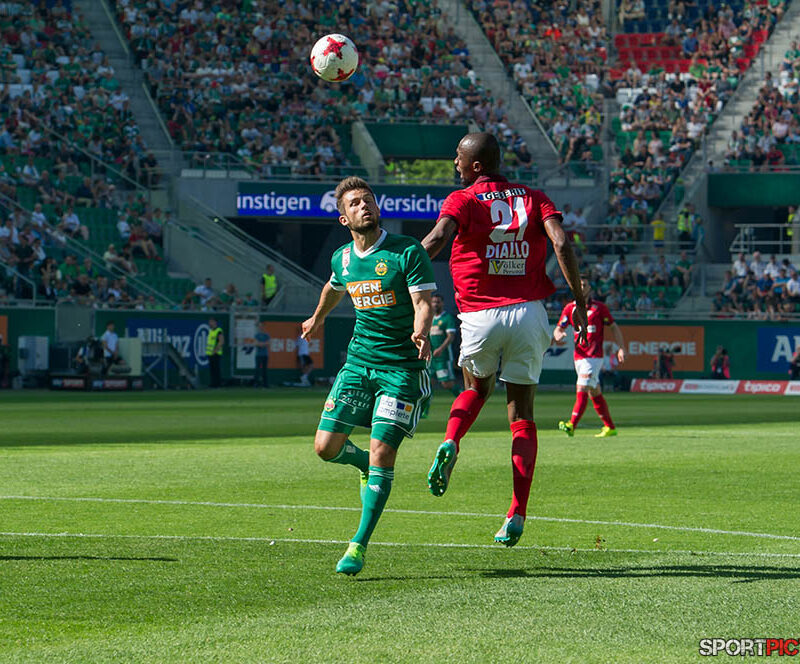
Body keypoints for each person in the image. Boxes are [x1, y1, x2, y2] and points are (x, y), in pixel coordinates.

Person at [419, 132, 587, 547]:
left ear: (476, 165)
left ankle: (451, 440)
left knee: (475, 388)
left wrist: (397, 268)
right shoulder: (533, 196)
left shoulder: (463, 199)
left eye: (458, 156)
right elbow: (561, 242)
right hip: (529, 312)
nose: (455, 162)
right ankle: (516, 512)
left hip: (480, 312)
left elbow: (438, 239)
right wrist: (579, 299)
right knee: (522, 414)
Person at [301, 176, 435, 576]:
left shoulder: (405, 251)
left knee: (383, 452)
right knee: (325, 448)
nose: (365, 206)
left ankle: (358, 545)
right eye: (356, 203)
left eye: (369, 200)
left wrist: (422, 331)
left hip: (400, 368)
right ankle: (362, 465)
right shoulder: (342, 258)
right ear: (344, 218)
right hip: (358, 364)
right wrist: (317, 317)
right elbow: (333, 287)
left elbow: (423, 301)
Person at [553, 275, 626, 437]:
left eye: (584, 285)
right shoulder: (570, 309)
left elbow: (613, 327)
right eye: (578, 285)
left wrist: (621, 347)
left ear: (590, 288)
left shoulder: (599, 308)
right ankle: (610, 427)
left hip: (594, 357)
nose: (581, 288)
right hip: (578, 357)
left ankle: (571, 425)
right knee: (594, 391)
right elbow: (559, 328)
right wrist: (558, 334)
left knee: (582, 388)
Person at [429, 293, 460, 397]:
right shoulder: (429, 318)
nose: (435, 304)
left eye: (438, 302)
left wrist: (440, 349)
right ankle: (424, 412)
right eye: (433, 302)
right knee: (429, 384)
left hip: (444, 357)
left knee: (446, 384)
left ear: (442, 303)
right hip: (431, 357)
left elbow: (450, 336)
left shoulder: (447, 318)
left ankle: (463, 398)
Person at [206, 317, 224, 387]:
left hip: (216, 353)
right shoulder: (211, 331)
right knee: (212, 369)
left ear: (215, 322)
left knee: (216, 369)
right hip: (210, 353)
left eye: (211, 322)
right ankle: (213, 383)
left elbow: (221, 341)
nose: (209, 323)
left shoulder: (218, 330)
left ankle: (217, 384)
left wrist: (215, 350)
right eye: (209, 322)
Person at [253, 321, 270, 388]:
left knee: (264, 370)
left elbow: (268, 343)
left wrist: (261, 344)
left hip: (265, 355)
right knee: (257, 370)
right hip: (258, 355)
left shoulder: (266, 335)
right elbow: (256, 343)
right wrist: (263, 344)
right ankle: (256, 384)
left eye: (262, 326)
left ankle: (265, 384)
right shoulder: (257, 335)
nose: (261, 327)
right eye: (260, 326)